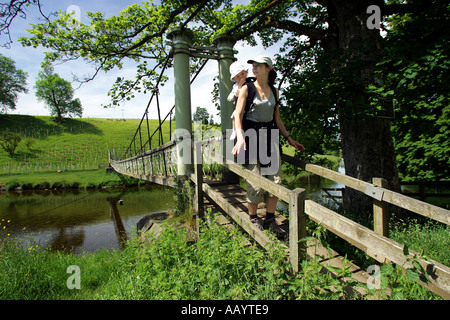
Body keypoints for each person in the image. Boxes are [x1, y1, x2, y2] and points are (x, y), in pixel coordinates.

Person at [231, 55, 304, 238]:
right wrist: (240, 137)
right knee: (255, 183)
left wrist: (288, 138)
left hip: (269, 137)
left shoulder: (274, 91)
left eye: (259, 65)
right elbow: (238, 116)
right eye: (253, 65)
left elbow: (276, 118)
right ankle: (253, 218)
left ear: (268, 68)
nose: (254, 68)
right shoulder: (246, 88)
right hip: (248, 137)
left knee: (275, 181)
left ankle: (270, 220)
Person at [227, 62, 249, 140]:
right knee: (236, 116)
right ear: (235, 78)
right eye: (238, 76)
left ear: (246, 72)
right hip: (240, 105)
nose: (240, 77)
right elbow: (236, 95)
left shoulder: (250, 83)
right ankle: (234, 130)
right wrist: (240, 86)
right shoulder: (236, 86)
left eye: (242, 74)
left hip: (248, 105)